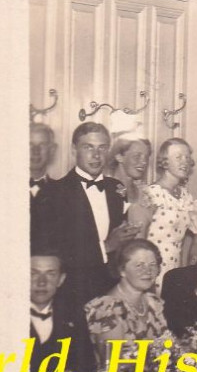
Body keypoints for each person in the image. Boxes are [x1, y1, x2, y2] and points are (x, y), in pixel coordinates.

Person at [31, 122, 137, 307]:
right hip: (73, 294)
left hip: (113, 292)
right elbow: (52, 253)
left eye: (102, 148)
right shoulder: (52, 193)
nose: (96, 155)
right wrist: (105, 247)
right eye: (88, 147)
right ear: (73, 150)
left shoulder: (116, 189)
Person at [82, 238, 167, 369]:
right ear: (122, 270)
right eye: (139, 265)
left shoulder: (153, 302)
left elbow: (167, 349)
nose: (148, 271)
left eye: (153, 264)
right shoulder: (107, 309)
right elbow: (112, 367)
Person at [28, 252, 96, 372]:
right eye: (33, 273)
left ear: (61, 279)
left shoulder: (72, 316)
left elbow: (86, 367)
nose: (42, 282)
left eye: (50, 274)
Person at [106, 136, 153, 206]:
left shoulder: (143, 192)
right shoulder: (106, 189)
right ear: (119, 157)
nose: (144, 162)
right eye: (137, 156)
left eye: (146, 157)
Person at [29, 122, 55, 196]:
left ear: (51, 151)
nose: (36, 151)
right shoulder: (8, 187)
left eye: (42, 145)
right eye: (30, 145)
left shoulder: (63, 192)